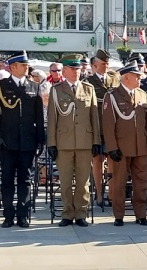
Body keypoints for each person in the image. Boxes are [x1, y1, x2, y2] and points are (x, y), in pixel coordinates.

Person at [0, 51, 43, 228]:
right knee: (7, 180)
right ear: (12, 67)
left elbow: (38, 118)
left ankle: (22, 215)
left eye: (26, 65)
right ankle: (8, 215)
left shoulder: (34, 87)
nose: (26, 68)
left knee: (25, 180)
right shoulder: (1, 86)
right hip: (7, 142)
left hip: (27, 142)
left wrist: (40, 139)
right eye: (23, 65)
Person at [47, 54, 101, 227]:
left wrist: (96, 141)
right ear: (64, 70)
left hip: (85, 142)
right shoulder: (56, 90)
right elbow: (52, 119)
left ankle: (80, 214)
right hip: (64, 143)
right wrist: (52, 143)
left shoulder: (88, 89)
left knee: (83, 182)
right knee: (65, 181)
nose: (76, 72)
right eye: (72, 69)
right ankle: (67, 213)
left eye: (78, 69)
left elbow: (94, 117)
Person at [102, 61, 147, 226]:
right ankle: (119, 215)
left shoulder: (142, 94)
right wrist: (111, 147)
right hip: (121, 147)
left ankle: (141, 214)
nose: (139, 79)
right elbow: (108, 125)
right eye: (136, 76)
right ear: (126, 77)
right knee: (119, 183)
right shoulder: (112, 96)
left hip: (141, 145)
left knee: (141, 182)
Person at [83, 49, 120, 206]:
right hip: (96, 127)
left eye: (107, 63)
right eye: (102, 64)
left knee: (113, 159)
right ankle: (98, 194)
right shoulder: (88, 82)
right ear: (94, 65)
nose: (106, 66)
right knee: (97, 160)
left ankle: (111, 194)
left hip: (112, 127)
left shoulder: (114, 79)